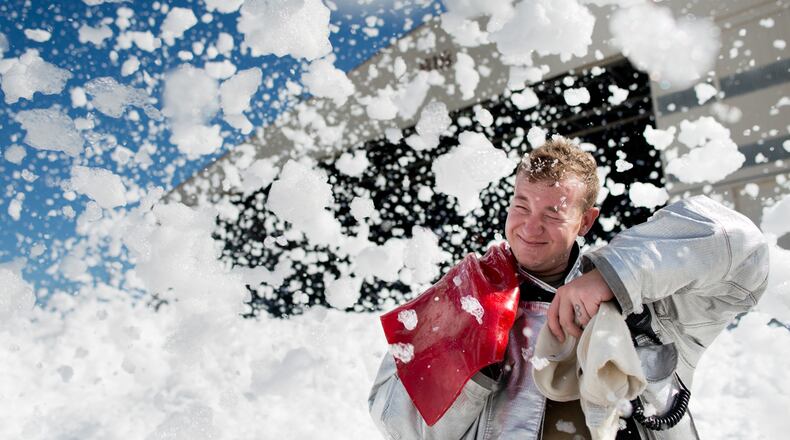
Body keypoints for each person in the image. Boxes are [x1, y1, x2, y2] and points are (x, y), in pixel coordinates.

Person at [368, 137, 770, 439]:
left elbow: (743, 247)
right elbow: (393, 422)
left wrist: (611, 276)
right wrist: (468, 370)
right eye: (521, 205)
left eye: (552, 213)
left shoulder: (653, 303)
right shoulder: (463, 300)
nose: (529, 227)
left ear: (585, 221)